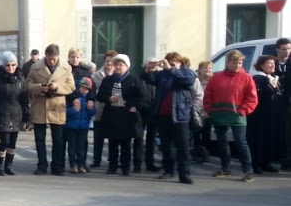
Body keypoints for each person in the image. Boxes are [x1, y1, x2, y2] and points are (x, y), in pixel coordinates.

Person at [143, 52, 198, 184]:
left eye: (175, 62)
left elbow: (187, 81)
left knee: (183, 146)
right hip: (164, 115)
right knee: (166, 146)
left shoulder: (187, 72)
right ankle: (168, 171)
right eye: (169, 62)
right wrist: (149, 68)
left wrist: (171, 69)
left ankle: (184, 174)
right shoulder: (162, 74)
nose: (172, 64)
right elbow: (149, 79)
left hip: (180, 115)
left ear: (181, 63)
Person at [204, 49, 258, 182]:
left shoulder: (246, 78)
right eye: (234, 63)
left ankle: (248, 171)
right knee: (222, 142)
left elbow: (252, 98)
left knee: (240, 142)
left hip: (238, 115)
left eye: (240, 63)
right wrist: (210, 110)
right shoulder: (216, 77)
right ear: (227, 63)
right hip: (219, 115)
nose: (237, 65)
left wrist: (243, 110)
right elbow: (208, 95)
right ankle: (225, 168)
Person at [26, 44, 75, 175]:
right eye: (49, 59)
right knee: (39, 139)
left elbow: (71, 86)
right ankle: (42, 165)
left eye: (54, 59)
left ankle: (57, 166)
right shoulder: (35, 67)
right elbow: (28, 84)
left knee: (58, 139)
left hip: (57, 106)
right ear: (45, 56)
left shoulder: (66, 67)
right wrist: (40, 88)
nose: (51, 61)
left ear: (58, 56)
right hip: (40, 106)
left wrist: (57, 86)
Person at [96, 55, 144, 177]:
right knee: (112, 142)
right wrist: (109, 98)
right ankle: (112, 166)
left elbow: (142, 96)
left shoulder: (134, 79)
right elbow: (100, 96)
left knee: (125, 143)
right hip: (112, 114)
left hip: (127, 115)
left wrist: (135, 106)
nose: (118, 67)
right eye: (116, 65)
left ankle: (125, 167)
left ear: (127, 67)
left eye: (121, 65)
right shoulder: (108, 80)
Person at [0, 52, 29, 176]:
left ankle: (8, 166)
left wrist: (26, 115)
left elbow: (24, 98)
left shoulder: (21, 78)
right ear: (3, 66)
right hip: (2, 114)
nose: (11, 67)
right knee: (4, 141)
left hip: (16, 114)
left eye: (13, 65)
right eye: (8, 65)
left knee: (12, 143)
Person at [247, 55, 285, 173]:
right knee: (259, 138)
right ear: (261, 65)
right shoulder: (258, 78)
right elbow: (258, 95)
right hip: (260, 115)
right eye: (269, 63)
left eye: (274, 63)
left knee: (270, 138)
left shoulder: (274, 78)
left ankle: (267, 162)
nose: (273, 65)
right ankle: (256, 163)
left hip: (272, 115)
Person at [90, 51, 116, 168]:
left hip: (113, 110)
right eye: (107, 61)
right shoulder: (96, 75)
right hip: (99, 109)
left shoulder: (118, 74)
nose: (109, 63)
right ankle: (97, 159)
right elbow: (92, 91)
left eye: (112, 61)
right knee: (98, 137)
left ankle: (113, 160)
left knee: (113, 137)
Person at [65, 77, 96, 173]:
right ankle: (73, 165)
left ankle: (81, 165)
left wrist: (91, 109)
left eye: (87, 89)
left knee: (82, 147)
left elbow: (93, 112)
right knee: (72, 147)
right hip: (71, 126)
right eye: (83, 87)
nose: (84, 90)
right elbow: (65, 112)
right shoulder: (73, 98)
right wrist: (74, 110)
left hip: (83, 126)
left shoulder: (88, 99)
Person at [274, 38, 291, 168]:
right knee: (276, 129)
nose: (287, 51)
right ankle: (276, 157)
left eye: (289, 49)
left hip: (289, 103)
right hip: (274, 103)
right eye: (284, 49)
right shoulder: (271, 63)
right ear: (277, 49)